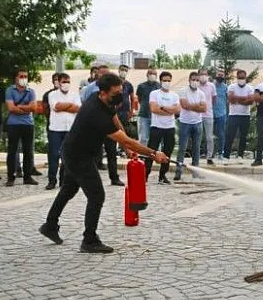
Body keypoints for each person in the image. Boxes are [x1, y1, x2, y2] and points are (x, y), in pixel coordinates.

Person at [39, 73, 169, 253]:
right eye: (116, 92)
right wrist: (153, 153)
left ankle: (50, 225)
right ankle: (89, 240)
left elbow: (116, 122)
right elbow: (127, 139)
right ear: (103, 92)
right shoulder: (95, 112)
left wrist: (126, 147)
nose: (120, 95)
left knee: (69, 189)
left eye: (121, 91)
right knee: (96, 196)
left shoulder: (102, 101)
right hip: (78, 156)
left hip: (75, 151)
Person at [82, 65, 124, 186]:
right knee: (94, 153)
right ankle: (92, 178)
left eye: (107, 73)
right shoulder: (90, 88)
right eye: (102, 73)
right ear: (97, 74)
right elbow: (85, 105)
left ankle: (114, 177)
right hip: (95, 126)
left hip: (109, 123)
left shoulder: (114, 87)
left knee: (112, 152)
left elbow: (117, 103)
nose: (104, 75)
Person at [45, 73, 81, 190]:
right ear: (59, 82)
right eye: (64, 81)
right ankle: (52, 180)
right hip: (55, 129)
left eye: (68, 81)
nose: (66, 84)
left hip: (69, 129)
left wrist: (65, 106)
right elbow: (56, 107)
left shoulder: (75, 95)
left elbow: (78, 109)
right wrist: (70, 105)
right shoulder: (52, 94)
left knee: (66, 156)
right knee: (54, 155)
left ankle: (63, 180)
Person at [5, 69, 39, 187]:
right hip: (13, 124)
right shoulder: (10, 90)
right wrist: (26, 108)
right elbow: (11, 108)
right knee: (12, 151)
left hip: (28, 124)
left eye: (25, 76)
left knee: (28, 152)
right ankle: (10, 176)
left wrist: (19, 106)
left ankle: (27, 176)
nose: (23, 78)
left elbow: (34, 107)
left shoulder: (31, 91)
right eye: (21, 76)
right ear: (16, 78)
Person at [144, 71, 180, 184]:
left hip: (170, 127)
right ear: (160, 81)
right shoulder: (154, 94)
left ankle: (162, 176)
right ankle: (145, 175)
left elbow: (177, 110)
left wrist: (163, 108)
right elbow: (154, 109)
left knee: (167, 152)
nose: (167, 82)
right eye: (164, 80)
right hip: (156, 126)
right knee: (151, 151)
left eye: (169, 80)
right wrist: (170, 111)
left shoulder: (174, 95)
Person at [174, 72, 206, 180]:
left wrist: (191, 106)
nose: (195, 82)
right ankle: (178, 171)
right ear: (189, 80)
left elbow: (204, 108)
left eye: (197, 80)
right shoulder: (183, 91)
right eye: (193, 79)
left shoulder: (201, 93)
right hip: (185, 123)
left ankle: (195, 172)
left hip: (198, 123)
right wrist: (197, 106)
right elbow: (184, 105)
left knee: (196, 149)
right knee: (182, 148)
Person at [223, 69, 254, 163]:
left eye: (243, 77)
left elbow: (250, 101)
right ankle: (226, 156)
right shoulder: (232, 87)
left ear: (246, 78)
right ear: (237, 78)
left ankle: (240, 155)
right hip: (233, 115)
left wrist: (237, 99)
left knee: (243, 136)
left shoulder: (250, 88)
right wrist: (244, 99)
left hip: (245, 115)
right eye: (239, 77)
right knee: (230, 136)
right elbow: (231, 99)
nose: (241, 79)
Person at [136, 67, 160, 146]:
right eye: (150, 73)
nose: (152, 75)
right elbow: (139, 99)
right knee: (143, 138)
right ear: (147, 75)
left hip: (156, 116)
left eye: (154, 74)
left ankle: (156, 156)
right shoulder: (141, 86)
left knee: (156, 138)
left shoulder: (159, 86)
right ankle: (143, 156)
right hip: (143, 115)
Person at [198, 70, 217, 165]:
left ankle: (209, 156)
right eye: (201, 74)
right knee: (197, 136)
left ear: (208, 75)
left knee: (209, 137)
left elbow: (214, 99)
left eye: (205, 74)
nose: (203, 76)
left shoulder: (211, 86)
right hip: (197, 115)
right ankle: (196, 155)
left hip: (208, 114)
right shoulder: (196, 86)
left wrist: (208, 107)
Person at [212, 70, 228, 163]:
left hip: (222, 113)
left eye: (222, 75)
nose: (220, 77)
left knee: (221, 134)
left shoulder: (225, 87)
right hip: (211, 113)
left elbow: (227, 100)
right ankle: (209, 153)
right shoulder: (211, 86)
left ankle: (220, 153)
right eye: (219, 75)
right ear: (216, 75)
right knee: (210, 134)